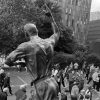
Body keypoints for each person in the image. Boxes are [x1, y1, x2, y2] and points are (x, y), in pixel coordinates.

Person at [4, 7, 60, 100]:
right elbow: (57, 33)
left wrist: (18, 62)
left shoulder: (26, 46)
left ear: (26, 34)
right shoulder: (49, 42)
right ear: (37, 31)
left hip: (42, 86)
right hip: (52, 82)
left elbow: (8, 60)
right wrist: (51, 19)